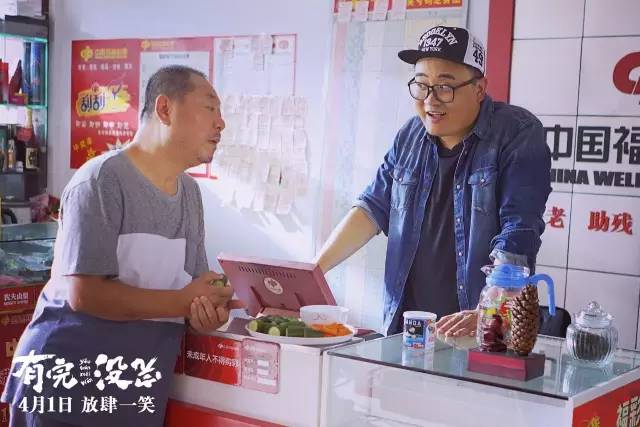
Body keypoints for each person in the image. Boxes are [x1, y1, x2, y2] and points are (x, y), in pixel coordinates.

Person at [2, 65, 242, 427]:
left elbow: (191, 295)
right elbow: (86, 294)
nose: (221, 123)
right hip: (64, 388)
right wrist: (184, 301)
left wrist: (208, 310)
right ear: (165, 109)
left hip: (131, 393)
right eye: (210, 107)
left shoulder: (191, 194)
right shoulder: (101, 179)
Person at [315, 26, 551, 337]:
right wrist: (314, 271)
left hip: (481, 330)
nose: (430, 100)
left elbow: (519, 228)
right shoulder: (410, 135)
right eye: (421, 85)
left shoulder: (517, 133)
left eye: (444, 87)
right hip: (408, 329)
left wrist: (490, 310)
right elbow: (371, 208)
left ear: (479, 89)